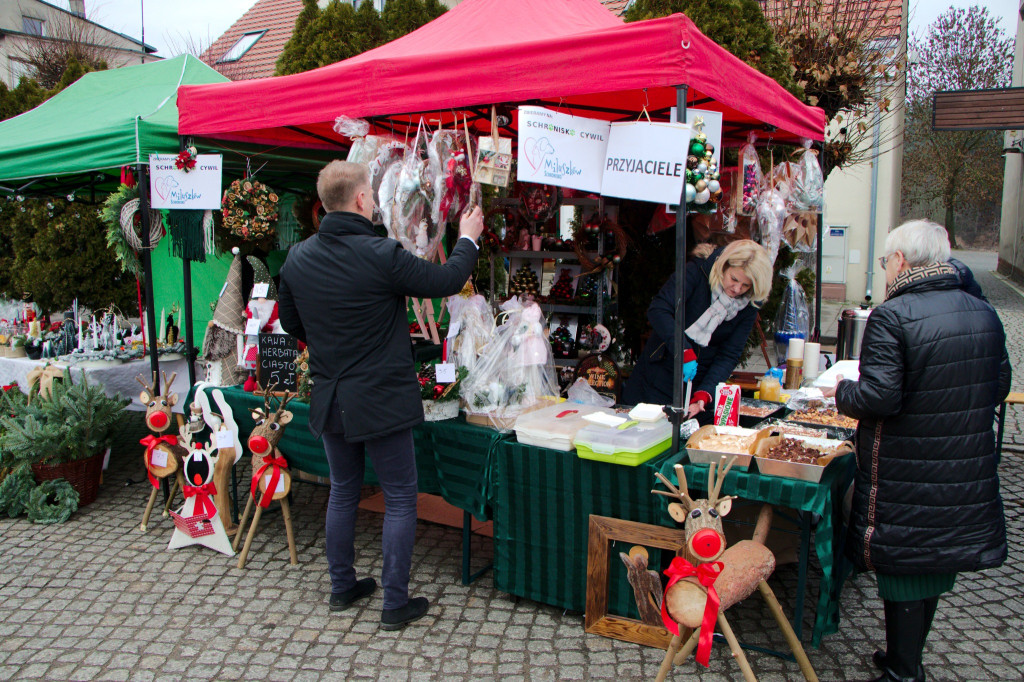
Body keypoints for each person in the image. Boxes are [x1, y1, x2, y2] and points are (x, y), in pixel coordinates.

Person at [278, 160, 483, 630]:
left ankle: (341, 586)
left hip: (331, 394)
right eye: (371, 192)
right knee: (399, 496)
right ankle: (394, 602)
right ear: (361, 200)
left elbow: (293, 325)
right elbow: (445, 281)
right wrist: (468, 235)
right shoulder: (379, 253)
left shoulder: (297, 258)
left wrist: (331, 343)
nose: (372, 198)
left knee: (344, 490)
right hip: (380, 396)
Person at [822, 220, 1009, 682]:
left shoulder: (894, 314)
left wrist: (844, 389)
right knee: (933, 561)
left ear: (901, 261)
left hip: (908, 467)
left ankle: (904, 672)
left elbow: (880, 397)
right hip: (961, 462)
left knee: (905, 563)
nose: (886, 270)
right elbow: (999, 384)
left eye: (886, 261)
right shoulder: (980, 309)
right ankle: (904, 659)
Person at [623, 239, 772, 420]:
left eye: (745, 285)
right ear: (724, 267)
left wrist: (705, 393)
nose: (737, 289)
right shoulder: (696, 271)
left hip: (699, 381)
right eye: (734, 279)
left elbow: (729, 354)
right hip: (658, 372)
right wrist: (683, 350)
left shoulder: (749, 304)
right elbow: (659, 309)